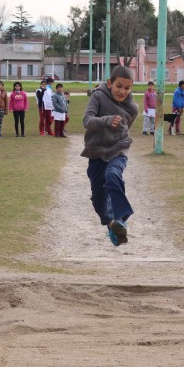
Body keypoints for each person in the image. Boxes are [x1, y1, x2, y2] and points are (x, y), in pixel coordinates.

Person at [81, 66, 139, 246]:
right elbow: (87, 121)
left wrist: (118, 141)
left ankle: (121, 217)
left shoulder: (133, 108)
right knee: (98, 199)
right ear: (109, 83)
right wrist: (106, 120)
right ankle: (113, 226)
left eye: (127, 88)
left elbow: (125, 130)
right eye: (119, 86)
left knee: (112, 175)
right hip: (96, 152)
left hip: (118, 150)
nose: (122, 91)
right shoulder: (98, 96)